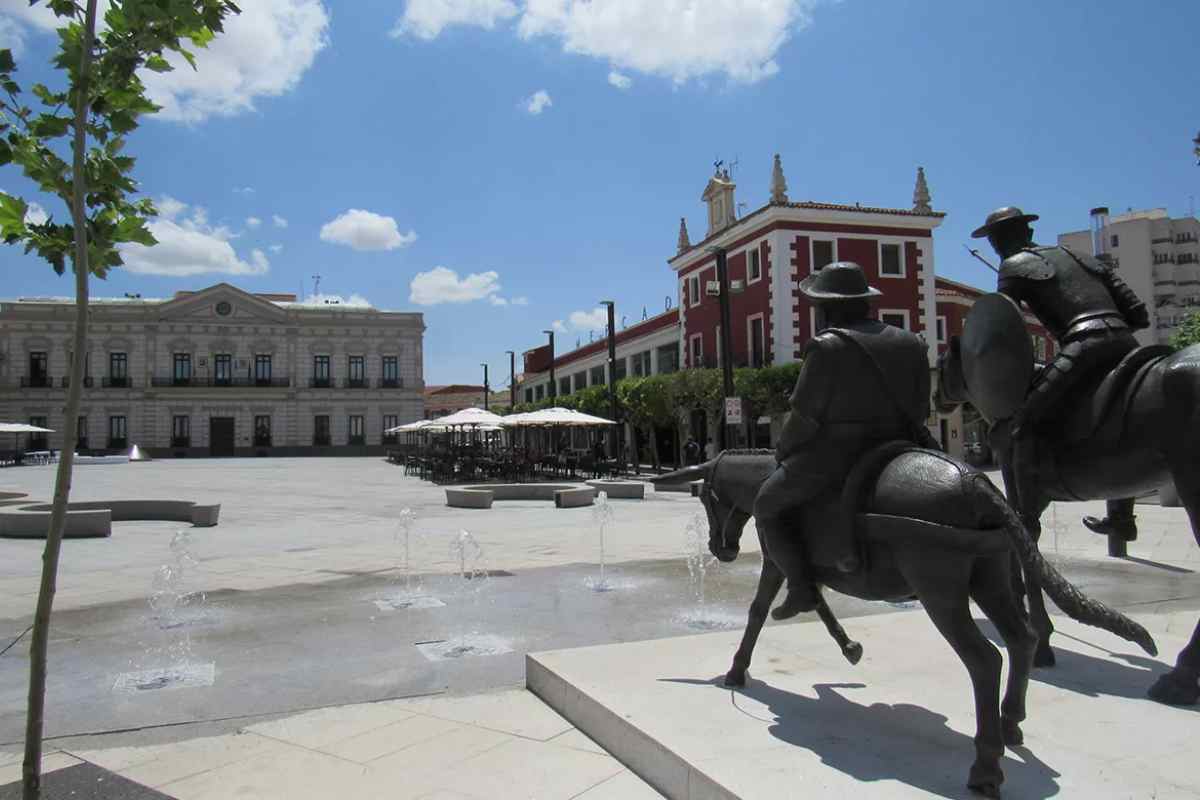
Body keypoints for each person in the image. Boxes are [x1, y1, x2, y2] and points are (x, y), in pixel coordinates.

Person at [753, 262, 940, 619]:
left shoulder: (827, 346)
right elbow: (921, 409)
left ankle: (801, 587)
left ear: (826, 308)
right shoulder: (912, 342)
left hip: (839, 454)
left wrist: (784, 451)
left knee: (766, 505)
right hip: (907, 445)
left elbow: (804, 417)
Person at [972, 206, 1148, 540]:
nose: (996, 249)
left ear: (999, 242)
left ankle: (1024, 521)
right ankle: (1122, 518)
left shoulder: (1013, 265)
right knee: (1123, 418)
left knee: (1020, 426)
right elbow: (1138, 313)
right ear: (1028, 232)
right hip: (1127, 342)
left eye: (995, 242)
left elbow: (1005, 332)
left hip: (1083, 346)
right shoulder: (1082, 257)